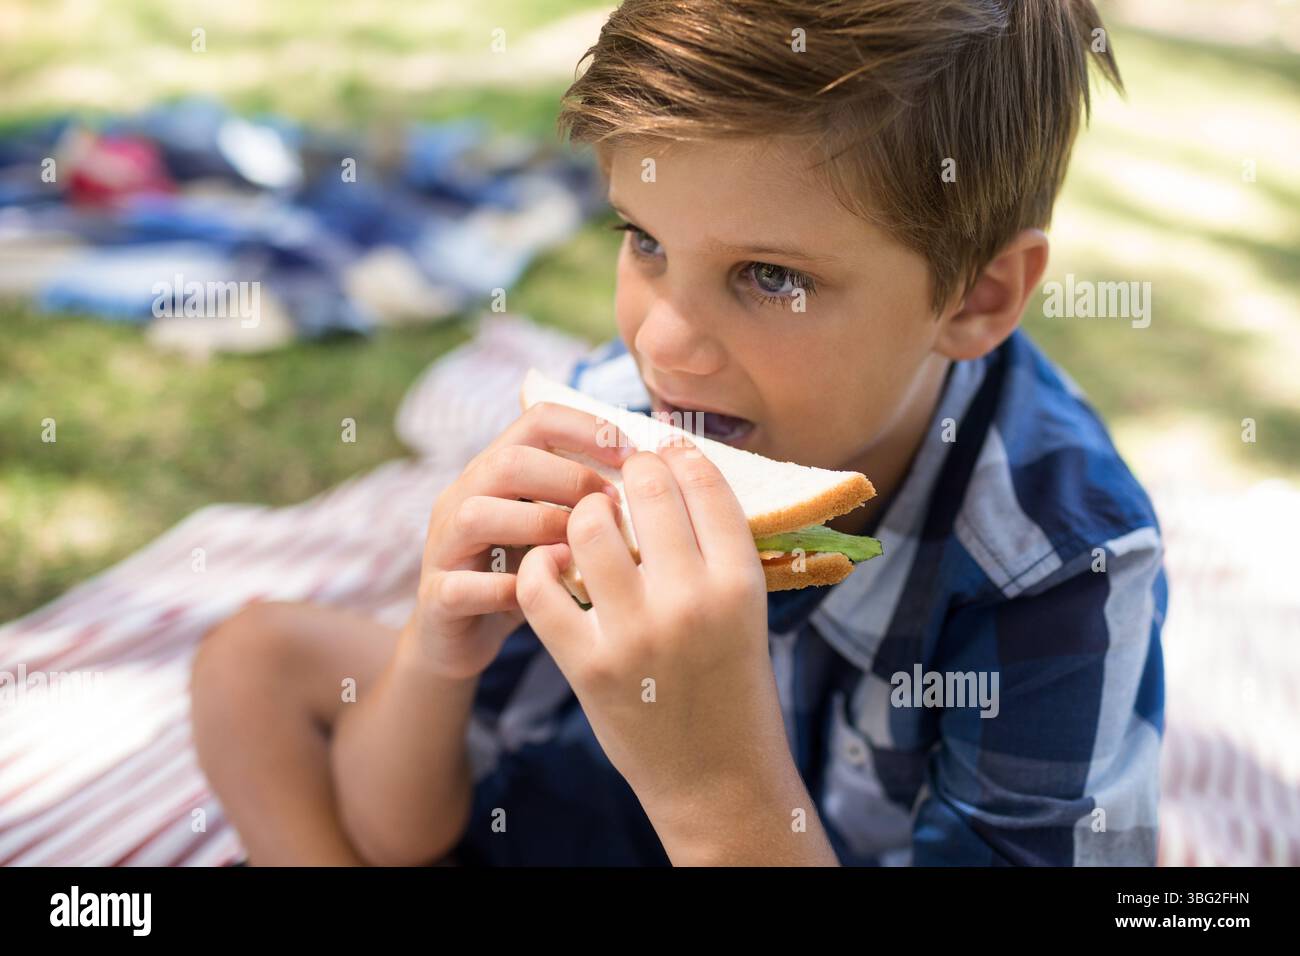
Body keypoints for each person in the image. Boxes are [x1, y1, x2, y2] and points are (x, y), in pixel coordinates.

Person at [191, 0, 1166, 866]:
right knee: (251, 661)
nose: (661, 345)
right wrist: (437, 654)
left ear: (976, 295)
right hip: (578, 808)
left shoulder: (1056, 567)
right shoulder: (614, 406)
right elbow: (399, 833)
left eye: (772, 277)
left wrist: (713, 781)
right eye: (645, 240)